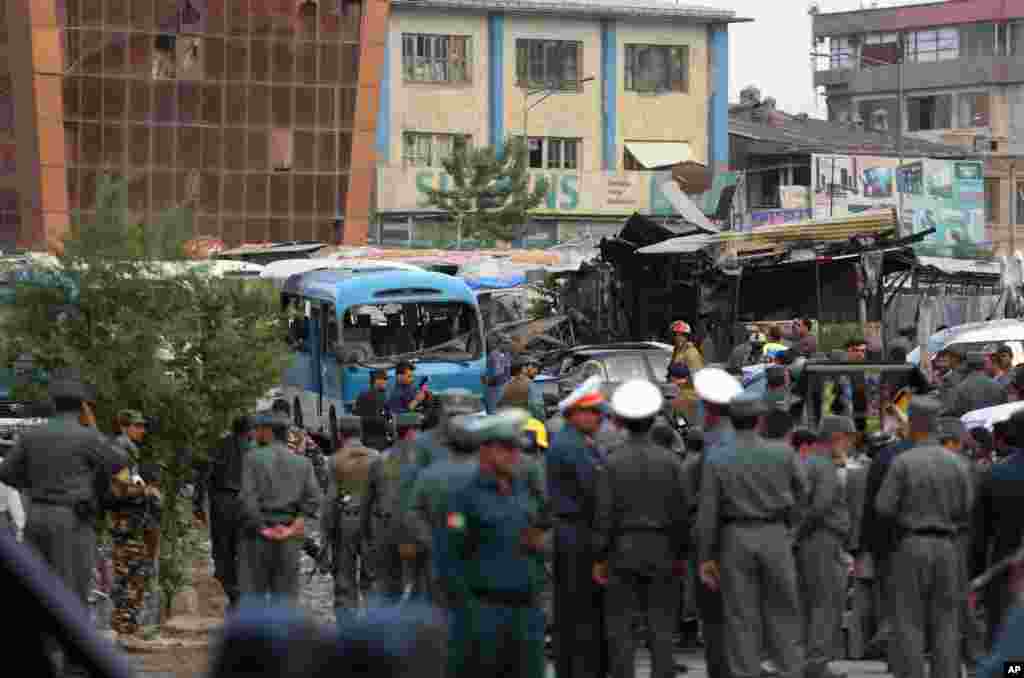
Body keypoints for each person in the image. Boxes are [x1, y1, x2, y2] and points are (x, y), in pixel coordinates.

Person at [696, 389, 807, 678]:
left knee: (741, 619)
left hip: (735, 538)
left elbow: (708, 511)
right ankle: (790, 672)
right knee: (784, 613)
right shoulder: (783, 452)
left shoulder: (718, 457)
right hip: (775, 534)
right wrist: (793, 527)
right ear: (760, 420)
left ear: (731, 421)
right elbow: (804, 492)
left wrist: (706, 557)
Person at [0, 374, 129, 608]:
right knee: (72, 590)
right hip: (72, 521)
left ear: (53, 403)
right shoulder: (87, 436)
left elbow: (6, 473)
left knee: (37, 589)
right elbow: (118, 462)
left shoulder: (32, 435)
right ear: (83, 405)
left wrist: (32, 483)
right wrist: (93, 425)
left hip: (35, 515)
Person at [592, 380, 692, 678]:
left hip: (622, 550)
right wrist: (681, 552)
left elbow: (604, 514)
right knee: (661, 626)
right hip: (662, 549)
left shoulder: (612, 462)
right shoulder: (671, 462)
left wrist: (599, 556)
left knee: (621, 627)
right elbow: (681, 511)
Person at [443, 409, 548, 678]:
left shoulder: (523, 493)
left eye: (516, 449)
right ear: (485, 450)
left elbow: (540, 535)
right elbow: (450, 556)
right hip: (484, 611)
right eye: (505, 449)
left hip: (525, 612)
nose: (514, 455)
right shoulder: (464, 497)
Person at [874, 396, 974, 678]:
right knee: (946, 620)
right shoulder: (956, 463)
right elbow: (966, 508)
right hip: (947, 545)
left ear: (913, 424)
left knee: (909, 621)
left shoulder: (903, 462)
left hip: (911, 543)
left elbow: (884, 507)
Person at [547, 376, 609, 678]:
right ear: (575, 414)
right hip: (577, 534)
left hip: (575, 530)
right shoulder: (572, 446)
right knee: (579, 608)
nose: (600, 418)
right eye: (594, 413)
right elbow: (594, 492)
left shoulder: (578, 441)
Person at [688, 368, 743, 678]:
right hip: (739, 536)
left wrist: (705, 552)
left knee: (714, 613)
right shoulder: (739, 437)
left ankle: (722, 669)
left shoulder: (714, 444)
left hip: (719, 539)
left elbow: (708, 504)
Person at [239, 410, 322, 603]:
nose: (256, 433)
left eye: (258, 429)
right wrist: (293, 527)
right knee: (286, 598)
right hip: (289, 538)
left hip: (257, 538)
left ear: (268, 432)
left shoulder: (252, 459)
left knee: (254, 596)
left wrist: (263, 528)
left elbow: (247, 500)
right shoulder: (302, 463)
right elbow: (313, 499)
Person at [794, 416, 851, 678]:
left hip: (810, 541)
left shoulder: (808, 461)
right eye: (847, 438)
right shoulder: (825, 465)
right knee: (826, 603)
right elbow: (821, 506)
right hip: (824, 539)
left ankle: (807, 660)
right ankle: (817, 664)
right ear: (837, 437)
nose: (849, 444)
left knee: (811, 601)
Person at [971, 408, 1024, 651]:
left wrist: (976, 576)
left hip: (1006, 573)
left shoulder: (996, 476)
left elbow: (979, 537)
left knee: (1008, 649)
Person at [108, 409, 163, 637]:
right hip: (127, 522)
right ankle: (125, 628)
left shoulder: (127, 451)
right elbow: (120, 490)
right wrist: (147, 491)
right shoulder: (120, 452)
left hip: (130, 522)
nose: (142, 430)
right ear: (124, 427)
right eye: (137, 426)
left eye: (143, 426)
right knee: (130, 575)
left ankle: (126, 626)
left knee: (130, 574)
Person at [361, 412, 425, 605]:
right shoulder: (427, 461)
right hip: (416, 531)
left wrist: (366, 534)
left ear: (397, 432)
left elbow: (367, 501)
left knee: (388, 585)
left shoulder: (380, 460)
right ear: (416, 432)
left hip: (386, 529)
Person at [322, 416, 379, 624]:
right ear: (361, 434)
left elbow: (329, 501)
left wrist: (325, 536)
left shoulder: (335, 460)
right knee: (372, 578)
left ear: (340, 435)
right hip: (372, 524)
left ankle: (348, 630)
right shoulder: (376, 457)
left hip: (345, 523)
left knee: (344, 578)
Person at [204, 414, 253, 610]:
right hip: (243, 502)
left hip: (221, 501)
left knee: (222, 546)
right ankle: (240, 593)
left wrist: (199, 502)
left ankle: (229, 589)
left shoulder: (218, 445)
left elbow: (206, 474)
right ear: (249, 431)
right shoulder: (254, 450)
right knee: (241, 547)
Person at [943, 352, 1006, 417]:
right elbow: (1004, 410)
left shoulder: (961, 388)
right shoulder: (998, 386)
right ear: (984, 365)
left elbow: (955, 411)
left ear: (966, 366)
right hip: (993, 424)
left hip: (970, 425)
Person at [354, 369, 393, 451]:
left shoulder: (361, 395)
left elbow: (356, 413)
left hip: (365, 438)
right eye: (384, 379)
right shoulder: (381, 396)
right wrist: (390, 431)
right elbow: (384, 417)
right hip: (380, 439)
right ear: (377, 380)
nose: (386, 382)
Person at [482, 334, 512, 414]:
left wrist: (508, 381)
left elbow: (507, 369)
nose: (508, 346)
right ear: (500, 344)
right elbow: (495, 373)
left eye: (509, 343)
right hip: (492, 385)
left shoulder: (507, 354)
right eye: (506, 343)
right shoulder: (494, 354)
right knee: (491, 409)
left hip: (500, 384)